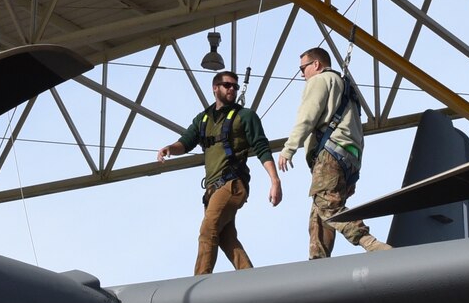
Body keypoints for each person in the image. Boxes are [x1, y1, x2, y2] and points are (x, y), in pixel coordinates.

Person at [158, 70, 281, 275]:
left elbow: (261, 147)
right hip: (212, 189)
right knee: (226, 238)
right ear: (215, 88)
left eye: (235, 85)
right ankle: (251, 280)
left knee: (208, 230)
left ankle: (198, 283)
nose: (232, 88)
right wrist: (170, 149)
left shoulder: (245, 116)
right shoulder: (203, 119)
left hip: (232, 184)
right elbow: (186, 142)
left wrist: (274, 180)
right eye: (227, 85)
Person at [277, 46, 392, 259]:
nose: (302, 74)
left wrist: (289, 148)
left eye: (303, 68)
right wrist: (354, 173)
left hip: (329, 154)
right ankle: (318, 263)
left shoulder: (320, 81)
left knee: (328, 207)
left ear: (316, 65)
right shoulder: (347, 89)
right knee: (319, 217)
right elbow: (358, 131)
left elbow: (307, 117)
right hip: (348, 157)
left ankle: (372, 245)